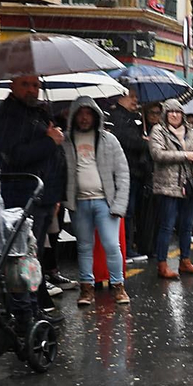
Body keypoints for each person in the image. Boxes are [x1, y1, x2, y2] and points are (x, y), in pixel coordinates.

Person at [0, 74, 66, 308]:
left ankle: (34, 305)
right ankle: (23, 309)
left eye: (35, 85)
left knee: (35, 256)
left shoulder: (38, 112)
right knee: (22, 256)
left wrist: (54, 196)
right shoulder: (7, 116)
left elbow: (52, 160)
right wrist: (50, 141)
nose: (32, 90)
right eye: (25, 85)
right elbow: (14, 156)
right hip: (23, 195)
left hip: (43, 196)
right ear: (12, 85)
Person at [62, 96, 131, 306]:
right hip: (78, 202)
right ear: (74, 116)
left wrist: (119, 204)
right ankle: (86, 289)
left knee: (112, 245)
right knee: (84, 247)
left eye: (88, 113)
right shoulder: (65, 140)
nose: (84, 118)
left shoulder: (109, 140)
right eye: (80, 114)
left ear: (95, 115)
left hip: (105, 202)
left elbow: (122, 173)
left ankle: (118, 286)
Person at [148, 98, 193, 281]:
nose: (174, 115)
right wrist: (185, 155)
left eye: (178, 111)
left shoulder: (191, 132)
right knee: (167, 225)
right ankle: (162, 264)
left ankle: (185, 261)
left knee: (187, 225)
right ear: (165, 114)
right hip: (167, 186)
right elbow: (157, 154)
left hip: (189, 186)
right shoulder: (158, 130)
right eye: (171, 111)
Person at [104, 84, 154, 255]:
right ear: (120, 97)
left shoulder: (134, 117)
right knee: (127, 211)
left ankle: (132, 245)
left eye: (136, 96)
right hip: (127, 171)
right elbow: (129, 141)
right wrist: (144, 142)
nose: (135, 100)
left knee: (134, 212)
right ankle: (125, 248)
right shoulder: (118, 118)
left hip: (137, 172)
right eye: (131, 96)